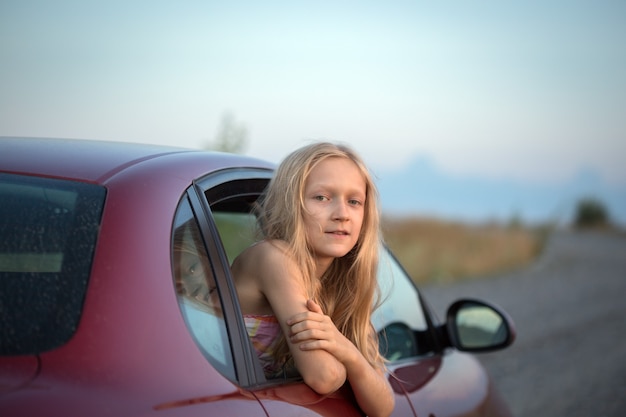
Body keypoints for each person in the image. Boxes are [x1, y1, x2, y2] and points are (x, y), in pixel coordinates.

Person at [231, 142, 395, 417]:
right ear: (291, 204)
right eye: (321, 197)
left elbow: (383, 406)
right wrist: (348, 359)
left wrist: (349, 352)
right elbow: (325, 376)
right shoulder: (272, 257)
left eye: (354, 201)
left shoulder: (342, 289)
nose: (342, 214)